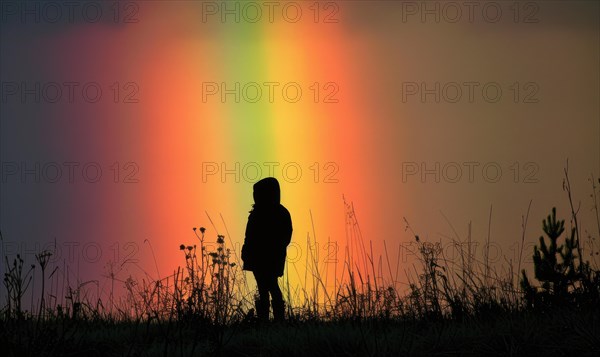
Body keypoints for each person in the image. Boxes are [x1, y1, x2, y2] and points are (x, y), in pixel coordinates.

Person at [241, 177, 293, 322]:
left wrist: (274, 248)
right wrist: (246, 250)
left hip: (270, 257)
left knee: (271, 286)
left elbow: (285, 236)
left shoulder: (279, 213)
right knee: (264, 287)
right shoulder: (257, 213)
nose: (255, 196)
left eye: (258, 193)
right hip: (258, 257)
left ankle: (278, 320)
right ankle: (266, 320)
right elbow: (249, 235)